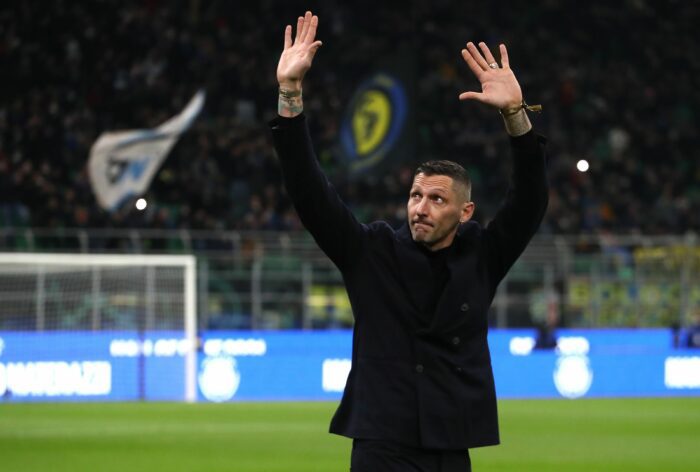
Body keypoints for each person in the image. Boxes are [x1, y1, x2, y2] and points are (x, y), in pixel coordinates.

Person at [270, 11, 548, 472]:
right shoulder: (371, 252)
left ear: (465, 212)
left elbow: (530, 202)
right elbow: (308, 191)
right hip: (382, 444)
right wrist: (290, 94)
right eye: (416, 195)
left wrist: (515, 116)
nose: (421, 207)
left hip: (450, 444)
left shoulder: (482, 255)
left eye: (437, 199)